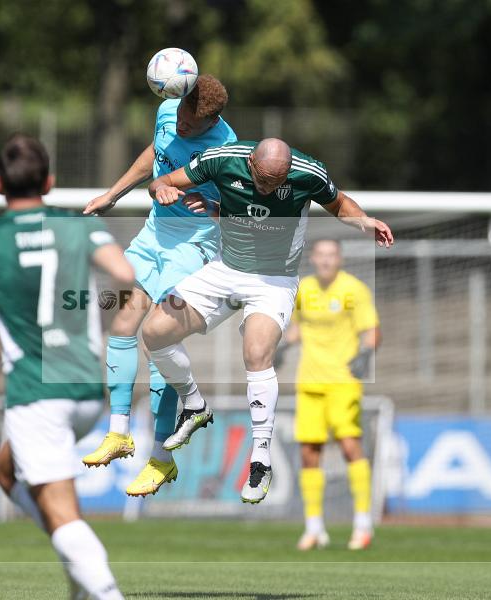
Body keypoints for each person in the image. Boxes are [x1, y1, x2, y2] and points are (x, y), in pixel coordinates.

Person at [141, 138, 393, 504]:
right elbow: (159, 183)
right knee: (154, 332)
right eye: (262, 180)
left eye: (276, 183)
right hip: (225, 270)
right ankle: (194, 405)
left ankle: (260, 457)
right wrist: (161, 189)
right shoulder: (222, 160)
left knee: (256, 351)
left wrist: (364, 221)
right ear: (252, 165)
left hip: (274, 280)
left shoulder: (308, 173)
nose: (268, 189)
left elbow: (340, 204)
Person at [0, 134, 132, 600]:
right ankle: (79, 577)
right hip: (83, 387)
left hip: (36, 393)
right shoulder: (77, 227)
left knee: (61, 512)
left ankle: (103, 590)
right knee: (7, 470)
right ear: (50, 183)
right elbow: (124, 276)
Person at [80, 75, 236, 497]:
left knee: (158, 338)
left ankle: (160, 458)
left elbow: (240, 206)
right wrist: (113, 193)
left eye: (191, 124)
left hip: (196, 243)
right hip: (154, 234)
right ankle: (118, 432)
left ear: (213, 122)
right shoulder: (169, 106)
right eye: (180, 116)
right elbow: (155, 154)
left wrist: (215, 205)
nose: (181, 125)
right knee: (122, 316)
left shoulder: (225, 149)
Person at [278, 239, 380, 550]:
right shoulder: (304, 290)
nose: (325, 260)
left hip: (343, 381)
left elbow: (372, 330)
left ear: (340, 259)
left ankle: (363, 524)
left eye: (331, 255)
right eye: (320, 255)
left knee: (350, 447)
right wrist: (282, 346)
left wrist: (365, 353)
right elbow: (297, 329)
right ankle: (314, 528)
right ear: (312, 258)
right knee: (310, 453)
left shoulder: (354, 290)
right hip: (309, 382)